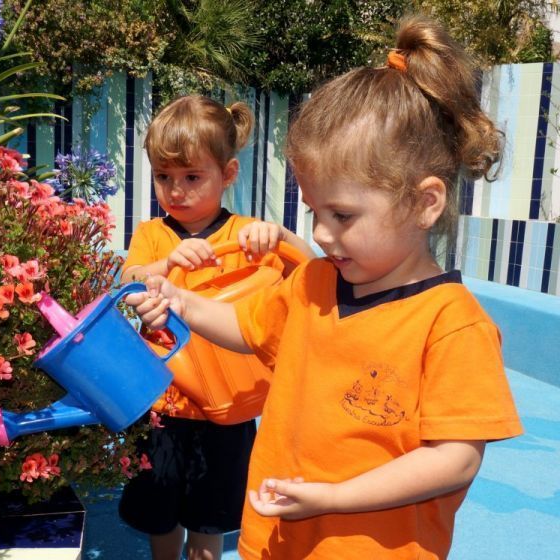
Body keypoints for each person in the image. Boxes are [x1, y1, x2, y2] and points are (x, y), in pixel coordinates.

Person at [124, 17, 523, 560]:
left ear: (425, 202)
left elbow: (455, 458)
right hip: (277, 541)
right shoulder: (314, 282)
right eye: (315, 212)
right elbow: (244, 327)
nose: (321, 234)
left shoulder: (452, 324)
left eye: (343, 215)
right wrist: (180, 301)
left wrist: (334, 498)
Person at [117, 94, 315, 560]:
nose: (176, 190)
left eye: (191, 177)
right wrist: (166, 263)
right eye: (163, 177)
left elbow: (312, 277)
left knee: (210, 520)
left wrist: (282, 237)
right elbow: (127, 281)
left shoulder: (248, 237)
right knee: (160, 514)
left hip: (230, 410)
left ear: (227, 174)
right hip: (162, 405)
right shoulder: (152, 235)